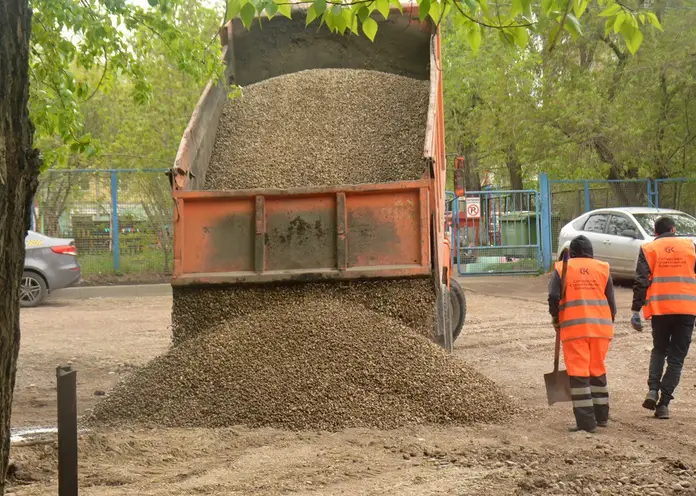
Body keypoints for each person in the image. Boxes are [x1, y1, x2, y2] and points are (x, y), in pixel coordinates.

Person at [548, 235, 617, 433]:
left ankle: (586, 423)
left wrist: (555, 318)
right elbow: (610, 301)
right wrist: (608, 322)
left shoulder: (563, 268)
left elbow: (553, 296)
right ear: (590, 251)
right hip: (601, 328)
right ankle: (601, 416)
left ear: (572, 253)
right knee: (597, 369)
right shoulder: (602, 267)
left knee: (579, 374)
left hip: (575, 329)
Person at [631, 216, 696, 420]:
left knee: (659, 349)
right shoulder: (691, 246)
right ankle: (664, 404)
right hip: (687, 309)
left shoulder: (649, 249)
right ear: (674, 229)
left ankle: (652, 390)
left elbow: (641, 280)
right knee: (676, 358)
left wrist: (636, 310)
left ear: (656, 233)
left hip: (660, 309)